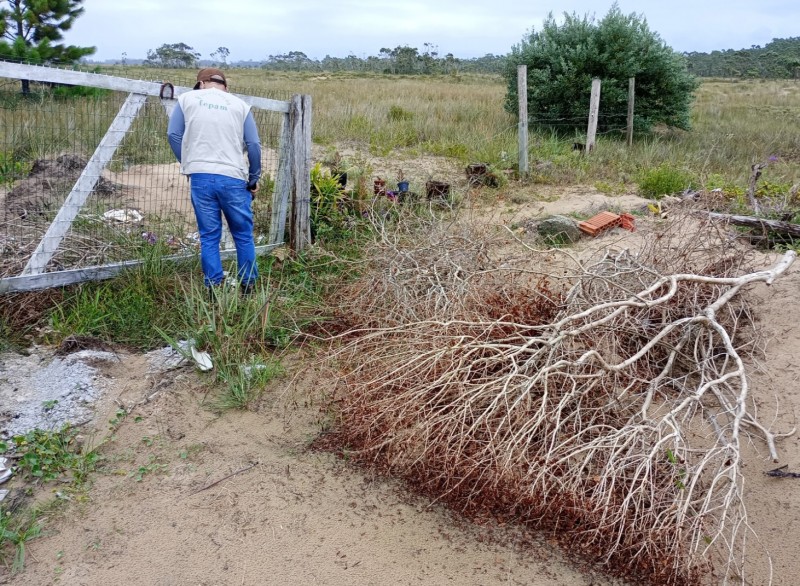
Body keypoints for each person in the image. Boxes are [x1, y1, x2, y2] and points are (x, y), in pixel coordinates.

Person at [167, 67, 261, 295]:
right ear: (225, 87)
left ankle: (213, 288)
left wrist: (188, 164)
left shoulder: (187, 99)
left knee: (209, 235)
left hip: (201, 177)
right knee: (242, 234)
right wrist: (254, 177)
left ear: (200, 84)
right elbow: (254, 145)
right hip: (233, 178)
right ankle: (248, 286)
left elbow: (173, 135)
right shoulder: (239, 105)